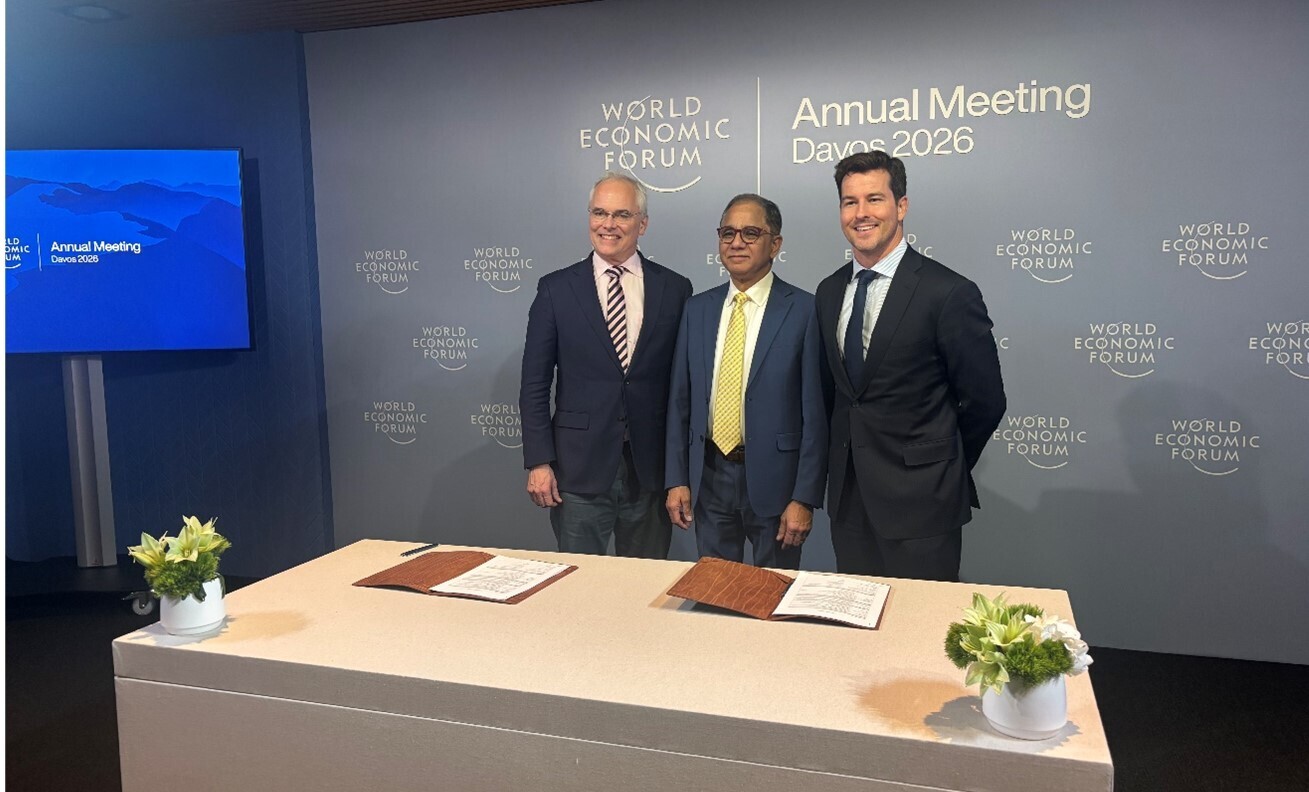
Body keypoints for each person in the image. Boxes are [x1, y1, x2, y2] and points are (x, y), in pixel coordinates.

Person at [815, 151, 1006, 581]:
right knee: (858, 634)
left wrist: (939, 464)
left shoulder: (948, 292)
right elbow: (836, 398)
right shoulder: (829, 292)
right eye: (849, 202)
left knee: (920, 635)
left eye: (874, 199)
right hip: (849, 505)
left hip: (924, 505)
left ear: (901, 206)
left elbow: (986, 401)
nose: (861, 214)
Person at [520, 172, 693, 558]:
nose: (608, 225)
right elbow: (534, 383)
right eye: (599, 213)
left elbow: (683, 388)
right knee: (578, 589)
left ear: (642, 223)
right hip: (577, 472)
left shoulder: (676, 289)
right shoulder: (555, 289)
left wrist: (679, 473)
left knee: (643, 589)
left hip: (650, 474)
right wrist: (538, 461)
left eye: (621, 214)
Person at [665, 194, 826, 568]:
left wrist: (804, 498)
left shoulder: (804, 310)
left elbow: (815, 415)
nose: (737, 243)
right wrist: (677, 479)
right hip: (709, 478)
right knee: (715, 594)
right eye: (728, 233)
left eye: (751, 233)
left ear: (776, 244)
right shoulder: (696, 309)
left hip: (778, 483)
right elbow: (679, 402)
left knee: (773, 598)